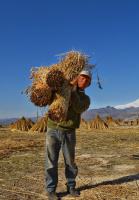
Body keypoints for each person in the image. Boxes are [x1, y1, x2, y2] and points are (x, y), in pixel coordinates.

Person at [45, 70, 92, 200]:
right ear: (77, 77)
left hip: (69, 132)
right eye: (83, 78)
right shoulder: (60, 89)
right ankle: (51, 190)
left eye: (88, 81)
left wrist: (73, 90)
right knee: (51, 162)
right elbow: (47, 98)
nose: (85, 81)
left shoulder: (85, 99)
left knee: (70, 162)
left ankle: (71, 186)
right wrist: (43, 87)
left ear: (89, 85)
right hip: (53, 130)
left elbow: (78, 108)